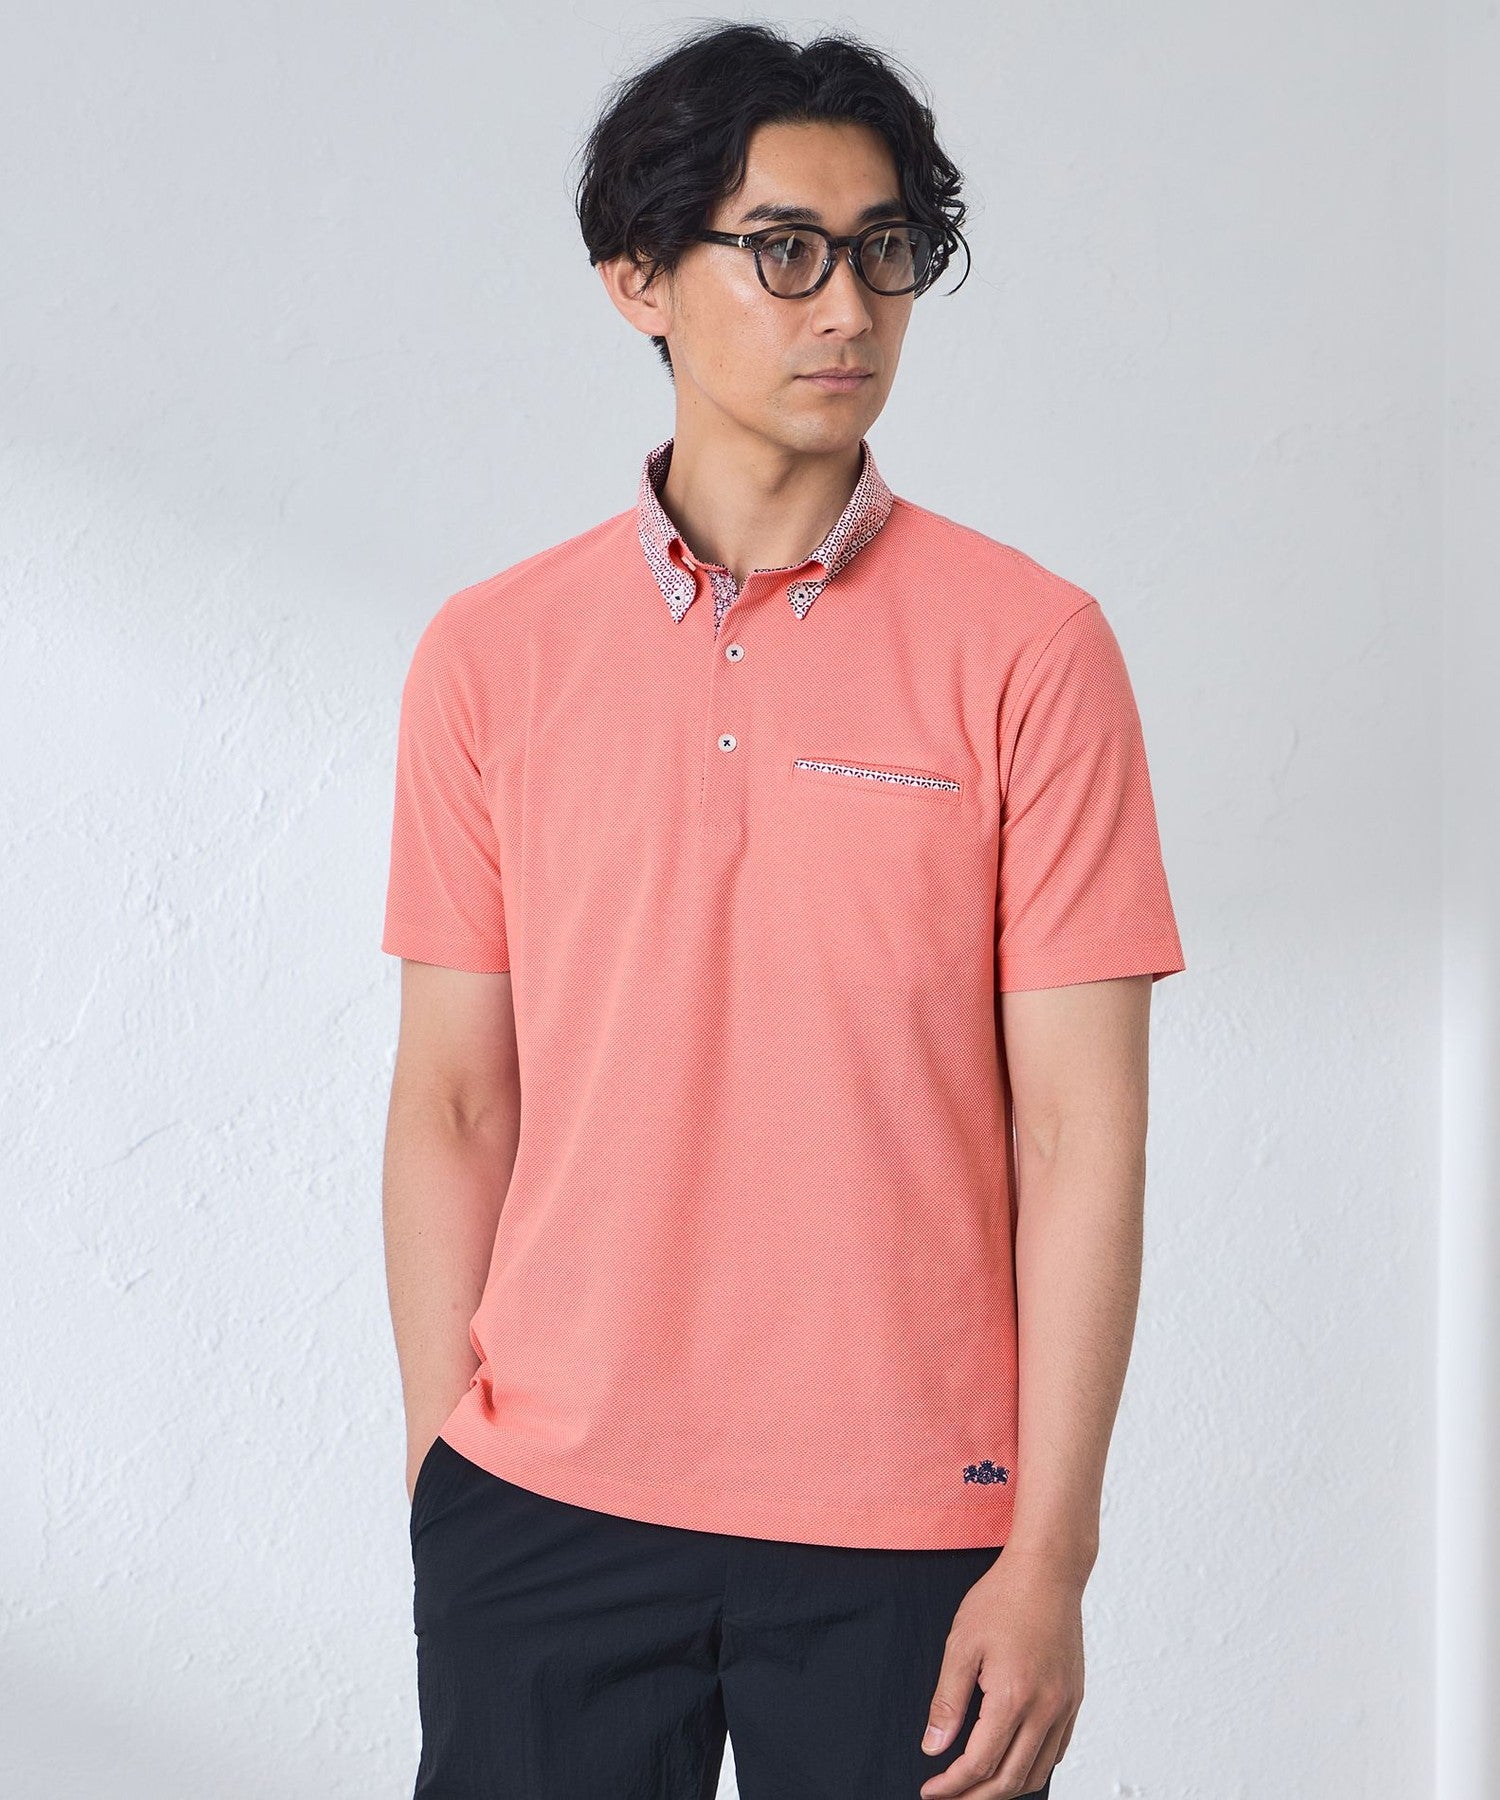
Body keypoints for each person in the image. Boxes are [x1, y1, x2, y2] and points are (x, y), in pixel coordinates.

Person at [380, 21, 1186, 1800]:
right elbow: (454, 1097)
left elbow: (1081, 1132)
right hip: (545, 1512)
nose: (851, 308)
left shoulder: (1033, 651)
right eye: (786, 250)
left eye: (886, 250)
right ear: (638, 280)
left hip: (918, 1533)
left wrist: (1051, 1553)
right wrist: (446, 1468)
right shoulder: (490, 655)